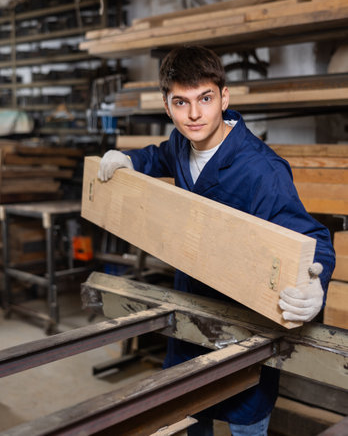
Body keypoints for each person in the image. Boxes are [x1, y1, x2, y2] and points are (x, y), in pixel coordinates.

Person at [98, 45, 335, 435]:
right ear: (167, 104)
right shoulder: (180, 143)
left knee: (246, 421)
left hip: (244, 325)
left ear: (224, 97)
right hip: (190, 311)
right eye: (181, 102)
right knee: (190, 412)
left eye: (205, 99)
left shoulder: (262, 169)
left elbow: (311, 236)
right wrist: (130, 160)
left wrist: (316, 283)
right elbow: (159, 156)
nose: (194, 114)